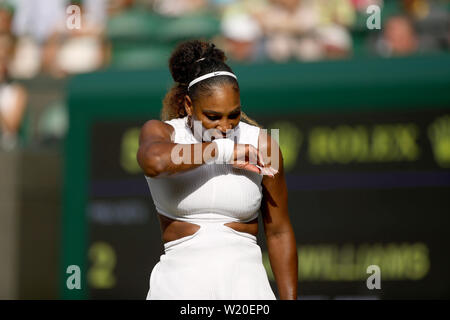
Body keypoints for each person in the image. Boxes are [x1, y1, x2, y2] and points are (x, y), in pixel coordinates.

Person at [137, 40, 297, 300]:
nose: (225, 127)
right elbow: (154, 161)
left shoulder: (262, 143)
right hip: (178, 291)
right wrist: (222, 150)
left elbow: (279, 231)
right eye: (213, 116)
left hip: (248, 292)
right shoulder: (163, 131)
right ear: (189, 105)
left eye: (233, 115)